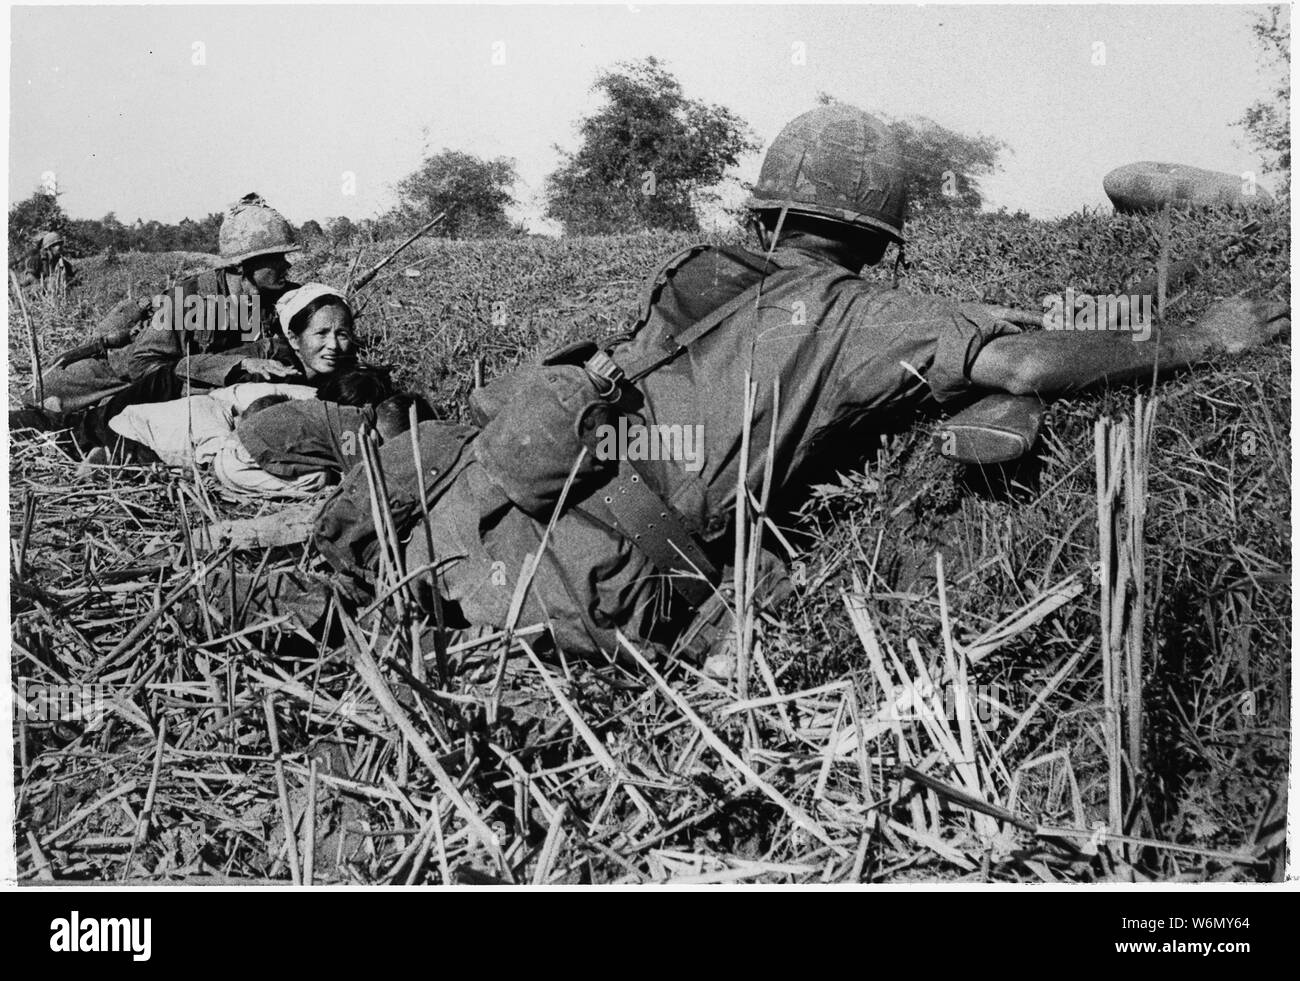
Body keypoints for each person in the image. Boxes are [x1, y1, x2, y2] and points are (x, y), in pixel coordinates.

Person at [313, 104, 1289, 667]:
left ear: (769, 215)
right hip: (576, 596)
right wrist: (1204, 334)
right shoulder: (864, 314)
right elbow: (1023, 363)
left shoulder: (695, 277)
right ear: (879, 239)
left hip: (471, 531)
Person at [28, 193, 303, 415]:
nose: (285, 265)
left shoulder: (274, 299)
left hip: (183, 382)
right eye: (275, 257)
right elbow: (142, 365)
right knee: (41, 399)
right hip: (119, 376)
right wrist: (231, 368)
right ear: (242, 265)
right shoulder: (190, 299)